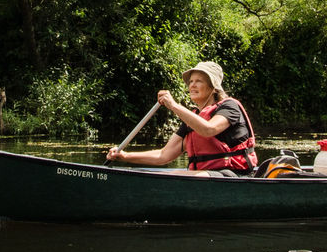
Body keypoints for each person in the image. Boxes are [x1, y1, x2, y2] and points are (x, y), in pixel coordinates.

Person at [105, 61, 258, 176]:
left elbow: (209, 129)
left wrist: (173, 105)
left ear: (213, 87)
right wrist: (124, 156)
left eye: (199, 81)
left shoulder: (229, 107)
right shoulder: (193, 119)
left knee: (172, 176)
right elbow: (163, 155)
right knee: (168, 175)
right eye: (191, 81)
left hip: (233, 175)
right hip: (206, 177)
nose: (192, 85)